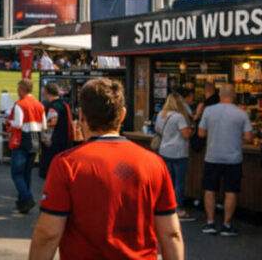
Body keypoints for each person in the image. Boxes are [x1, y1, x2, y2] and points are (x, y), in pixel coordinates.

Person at [28, 77, 184, 260]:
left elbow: (48, 234)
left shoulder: (67, 164)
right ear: (123, 115)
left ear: (82, 116)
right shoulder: (154, 164)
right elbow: (170, 234)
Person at [198, 83, 253, 237]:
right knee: (231, 191)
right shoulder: (241, 113)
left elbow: (201, 133)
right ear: (234, 95)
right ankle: (227, 224)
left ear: (220, 95)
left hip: (213, 156)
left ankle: (210, 222)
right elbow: (248, 137)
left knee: (210, 190)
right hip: (233, 158)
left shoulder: (209, 110)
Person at [8, 79, 46, 214]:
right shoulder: (40, 105)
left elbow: (17, 124)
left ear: (21, 89)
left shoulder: (20, 104)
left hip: (23, 138)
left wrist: (9, 121)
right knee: (27, 173)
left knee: (17, 173)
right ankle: (23, 203)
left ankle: (27, 198)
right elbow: (44, 125)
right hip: (35, 137)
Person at [156, 92, 195, 221]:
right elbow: (185, 134)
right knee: (179, 182)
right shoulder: (179, 117)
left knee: (168, 181)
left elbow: (157, 130)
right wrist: (191, 131)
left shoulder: (161, 115)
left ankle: (167, 206)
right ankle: (179, 209)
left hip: (164, 151)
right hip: (178, 152)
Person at [38, 82, 73, 180]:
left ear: (47, 92)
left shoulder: (54, 106)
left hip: (54, 141)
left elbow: (51, 124)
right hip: (64, 139)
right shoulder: (64, 104)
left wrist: (43, 136)